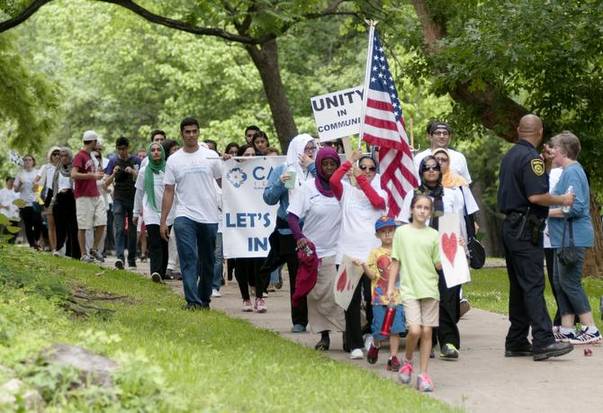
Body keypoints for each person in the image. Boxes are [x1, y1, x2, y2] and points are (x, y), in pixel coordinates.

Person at [497, 114, 574, 361]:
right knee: (532, 283)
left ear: (519, 130)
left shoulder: (511, 156)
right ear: (539, 132)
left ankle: (517, 340)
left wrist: (547, 165)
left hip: (511, 227)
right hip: (525, 228)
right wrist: (562, 199)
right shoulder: (531, 159)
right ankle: (543, 340)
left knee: (519, 286)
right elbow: (536, 196)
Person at [398, 156, 473, 359]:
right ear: (421, 171)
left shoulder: (452, 194)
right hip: (421, 251)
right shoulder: (412, 196)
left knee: (449, 297)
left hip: (449, 249)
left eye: (435, 167)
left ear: (440, 171)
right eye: (426, 168)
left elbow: (461, 222)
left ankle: (448, 342)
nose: (431, 171)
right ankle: (426, 340)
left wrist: (464, 247)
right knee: (425, 296)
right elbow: (403, 223)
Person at [160, 117, 222, 310]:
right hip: (184, 215)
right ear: (181, 134)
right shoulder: (174, 159)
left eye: (194, 131)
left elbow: (224, 182)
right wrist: (164, 221)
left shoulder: (211, 156)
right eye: (187, 132)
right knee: (188, 258)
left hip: (209, 215)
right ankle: (192, 301)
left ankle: (204, 299)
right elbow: (169, 191)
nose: (191, 135)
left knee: (208, 260)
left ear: (199, 132)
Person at [330, 150, 387, 359]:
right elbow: (334, 179)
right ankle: (354, 343)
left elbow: (376, 202)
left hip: (373, 256)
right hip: (348, 254)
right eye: (363, 167)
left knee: (373, 299)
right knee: (351, 302)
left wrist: (360, 178)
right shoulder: (345, 191)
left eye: (372, 168)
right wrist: (349, 162)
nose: (367, 171)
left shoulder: (382, 192)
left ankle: (372, 335)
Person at [288, 146, 344, 351]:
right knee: (315, 296)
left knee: (335, 295)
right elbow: (292, 217)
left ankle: (350, 331)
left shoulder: (343, 187)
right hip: (313, 253)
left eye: (333, 164)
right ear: (318, 166)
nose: (329, 168)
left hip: (337, 251)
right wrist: (300, 238)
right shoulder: (308, 188)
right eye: (325, 164)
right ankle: (324, 336)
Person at [547, 131, 600, 344]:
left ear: (561, 151)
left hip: (573, 238)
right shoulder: (569, 171)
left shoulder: (573, 173)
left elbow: (577, 207)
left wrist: (547, 213)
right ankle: (567, 329)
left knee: (570, 283)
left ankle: (591, 328)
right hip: (564, 239)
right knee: (561, 283)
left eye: (554, 150)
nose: (552, 154)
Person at [260, 133, 317, 331]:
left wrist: (312, 166)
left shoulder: (317, 170)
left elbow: (329, 187)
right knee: (297, 275)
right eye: (306, 149)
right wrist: (280, 184)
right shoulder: (282, 170)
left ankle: (320, 321)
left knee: (318, 275)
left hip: (316, 227)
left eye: (312, 149)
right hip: (290, 231)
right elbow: (268, 198)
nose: (310, 153)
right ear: (297, 150)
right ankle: (299, 320)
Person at [388, 194, 441, 392]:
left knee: (427, 331)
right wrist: (390, 287)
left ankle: (423, 374)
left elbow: (438, 264)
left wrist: (455, 250)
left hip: (430, 288)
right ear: (411, 209)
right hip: (409, 289)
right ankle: (408, 361)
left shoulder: (434, 235)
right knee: (415, 330)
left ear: (430, 212)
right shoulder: (401, 233)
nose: (422, 211)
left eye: (426, 208)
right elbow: (396, 261)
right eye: (418, 207)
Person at [356, 216, 406, 371]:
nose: (387, 235)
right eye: (383, 232)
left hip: (397, 297)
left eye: (390, 231)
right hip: (379, 298)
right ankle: (375, 344)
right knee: (379, 330)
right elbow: (372, 276)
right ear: (377, 235)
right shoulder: (375, 252)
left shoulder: (401, 252)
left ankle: (393, 357)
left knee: (396, 329)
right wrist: (364, 265)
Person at [232, 144, 267, 312]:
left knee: (261, 262)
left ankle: (259, 297)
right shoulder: (233, 173)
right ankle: (245, 298)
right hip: (240, 226)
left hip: (260, 224)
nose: (250, 157)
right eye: (247, 154)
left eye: (254, 154)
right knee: (242, 264)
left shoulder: (264, 172)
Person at [134, 142, 173, 283]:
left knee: (164, 242)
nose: (156, 152)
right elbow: (139, 192)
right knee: (155, 242)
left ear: (162, 152)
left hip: (168, 212)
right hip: (150, 210)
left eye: (158, 150)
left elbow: (175, 191)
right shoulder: (144, 171)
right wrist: (136, 212)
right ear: (149, 153)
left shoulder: (169, 169)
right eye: (153, 150)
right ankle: (155, 273)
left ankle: (162, 273)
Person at [104, 136, 140, 269]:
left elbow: (142, 178)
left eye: (124, 149)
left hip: (133, 197)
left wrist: (133, 172)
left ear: (128, 148)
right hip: (118, 198)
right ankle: (120, 258)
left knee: (132, 229)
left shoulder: (136, 160)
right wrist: (113, 174)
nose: (122, 151)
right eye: (119, 149)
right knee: (118, 228)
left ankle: (131, 259)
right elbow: (105, 183)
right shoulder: (113, 161)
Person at [71, 130, 107, 262]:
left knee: (102, 222)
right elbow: (74, 174)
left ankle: (94, 249)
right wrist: (92, 176)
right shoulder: (79, 156)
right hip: (83, 195)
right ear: (92, 141)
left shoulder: (91, 155)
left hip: (95, 194)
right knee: (83, 226)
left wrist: (98, 175)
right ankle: (83, 254)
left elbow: (94, 172)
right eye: (96, 141)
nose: (97, 143)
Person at [51, 148, 80, 259]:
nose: (63, 158)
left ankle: (74, 253)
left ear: (70, 156)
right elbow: (54, 186)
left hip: (72, 199)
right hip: (59, 199)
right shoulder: (58, 169)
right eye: (61, 155)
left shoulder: (74, 168)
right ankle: (59, 249)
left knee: (73, 227)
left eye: (65, 155)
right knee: (60, 226)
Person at [14, 154, 44, 249]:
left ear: (33, 161)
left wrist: (36, 186)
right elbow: (15, 190)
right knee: (28, 224)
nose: (27, 162)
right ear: (23, 162)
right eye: (25, 160)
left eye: (29, 160)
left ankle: (36, 240)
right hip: (24, 203)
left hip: (36, 201)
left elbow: (41, 187)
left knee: (37, 222)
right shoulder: (20, 174)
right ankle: (32, 244)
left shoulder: (38, 173)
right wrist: (20, 184)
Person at [36, 146, 61, 253]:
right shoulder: (45, 167)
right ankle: (54, 248)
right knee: (51, 224)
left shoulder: (65, 167)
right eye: (54, 154)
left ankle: (61, 248)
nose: (56, 156)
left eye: (58, 153)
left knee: (61, 224)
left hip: (63, 198)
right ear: (50, 156)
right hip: (49, 198)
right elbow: (37, 183)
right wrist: (40, 199)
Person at [0, 177, 20, 243]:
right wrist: (4, 206)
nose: (11, 183)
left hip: (15, 214)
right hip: (4, 213)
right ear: (6, 182)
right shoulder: (1, 192)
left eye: (13, 181)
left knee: (14, 229)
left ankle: (11, 242)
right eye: (10, 181)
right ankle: (4, 241)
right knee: (6, 228)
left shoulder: (17, 193)